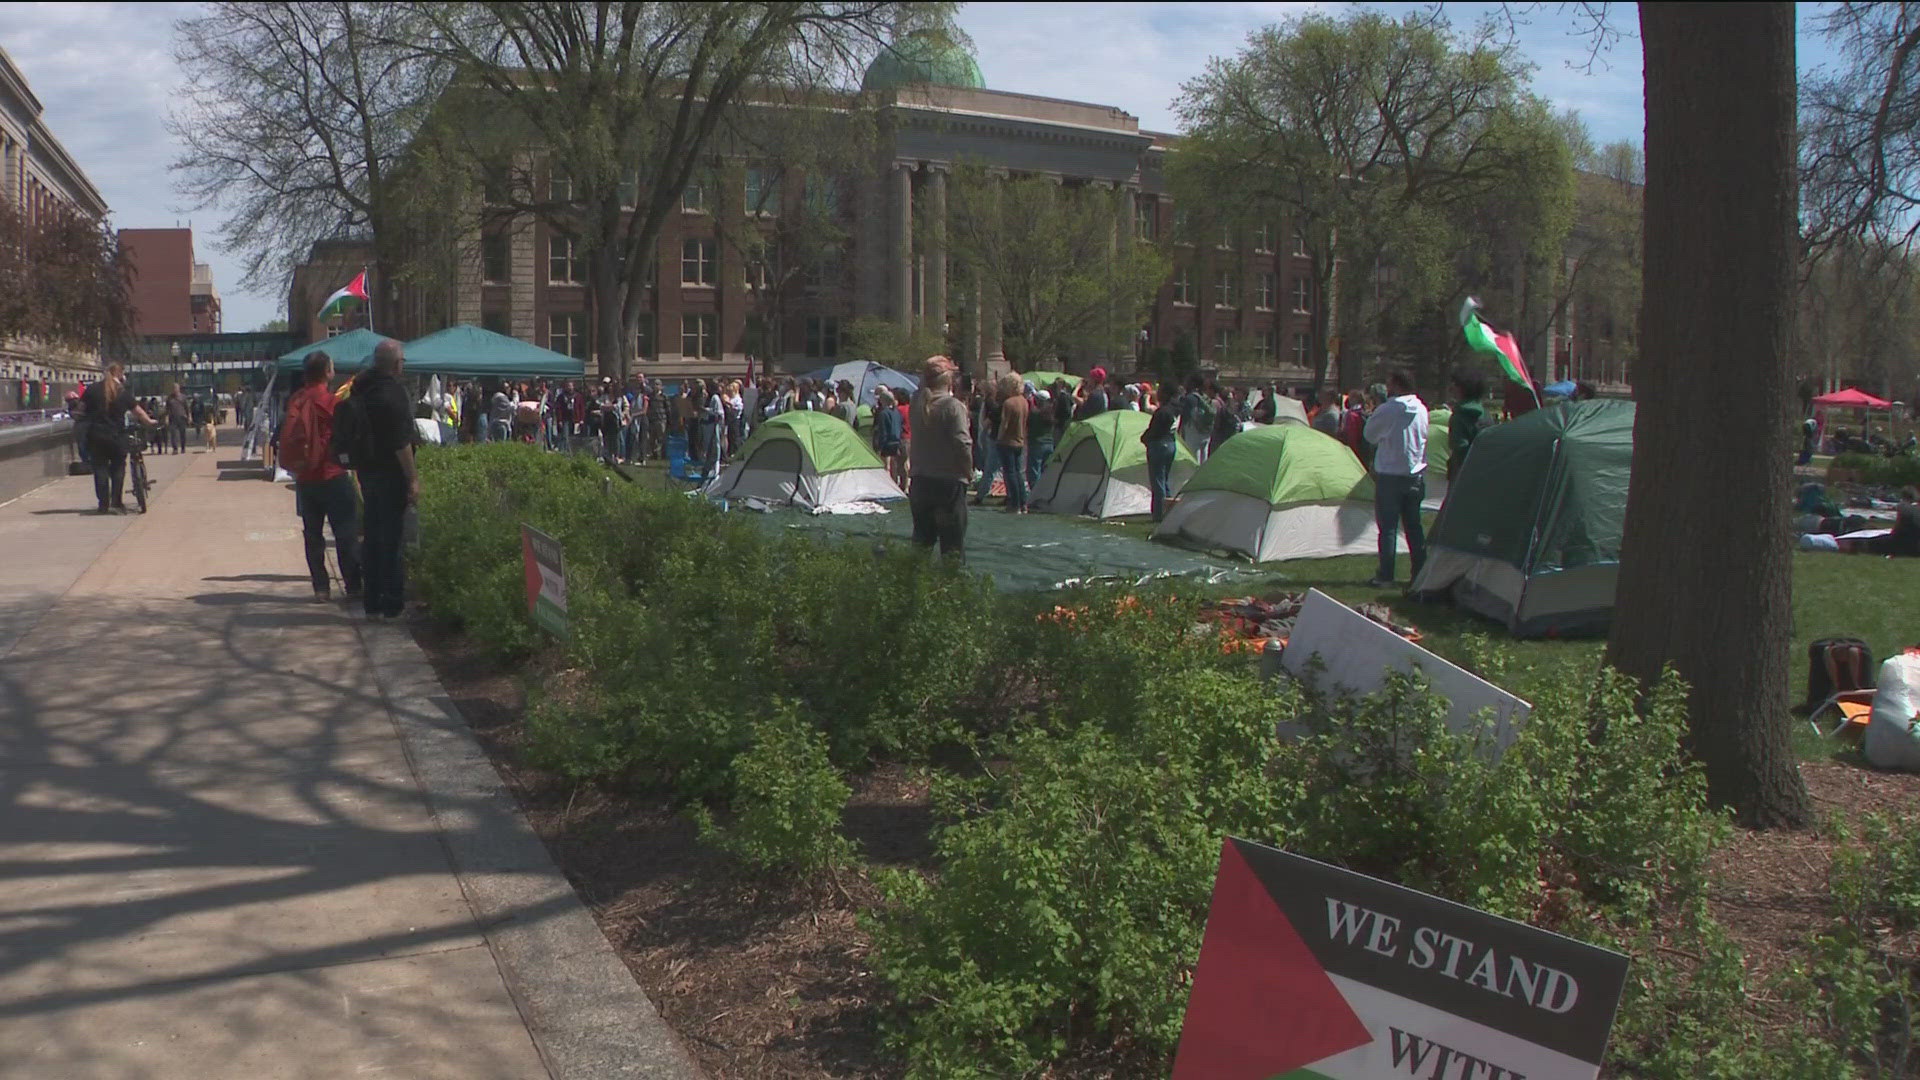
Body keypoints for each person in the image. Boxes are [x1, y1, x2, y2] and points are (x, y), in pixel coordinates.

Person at [349, 339, 419, 621]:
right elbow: (401, 442)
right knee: (391, 541)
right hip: (390, 474)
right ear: (395, 364)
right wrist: (412, 479)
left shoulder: (361, 389)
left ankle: (372, 602)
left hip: (366, 471)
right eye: (402, 361)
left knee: (373, 536)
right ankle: (392, 604)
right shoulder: (393, 393)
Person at [286, 351, 362, 602]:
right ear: (327, 373)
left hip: (306, 478)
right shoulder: (333, 403)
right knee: (345, 533)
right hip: (333, 474)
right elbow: (348, 438)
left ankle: (321, 587)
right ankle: (352, 585)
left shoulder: (296, 401)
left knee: (313, 534)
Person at [1362, 368, 1429, 589]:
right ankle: (1419, 571)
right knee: (1414, 527)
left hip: (1390, 473)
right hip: (1415, 474)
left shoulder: (1388, 409)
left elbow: (1369, 435)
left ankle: (1386, 574)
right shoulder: (1421, 409)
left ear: (1397, 386)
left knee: (1388, 528)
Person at [908, 356, 973, 558]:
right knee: (952, 548)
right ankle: (951, 587)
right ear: (949, 380)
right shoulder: (952, 406)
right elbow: (962, 444)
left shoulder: (916, 403)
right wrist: (968, 471)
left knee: (921, 545)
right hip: (948, 483)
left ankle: (914, 586)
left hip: (920, 481)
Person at [81, 362, 156, 514]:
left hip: (96, 435)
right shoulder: (123, 392)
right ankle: (116, 502)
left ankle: (103, 504)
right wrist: (150, 421)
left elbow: (80, 410)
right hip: (117, 436)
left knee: (100, 469)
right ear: (120, 374)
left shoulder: (92, 389)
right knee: (118, 468)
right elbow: (138, 412)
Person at [1142, 378, 1181, 522]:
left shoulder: (1163, 412)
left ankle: (1158, 514)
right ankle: (1168, 510)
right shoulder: (1176, 409)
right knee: (1164, 480)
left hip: (1159, 445)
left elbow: (1154, 430)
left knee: (1157, 481)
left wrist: (1144, 438)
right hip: (1171, 443)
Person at [997, 372, 1030, 513]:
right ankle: (1023, 503)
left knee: (1010, 473)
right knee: (1018, 474)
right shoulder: (1024, 401)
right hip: (1020, 440)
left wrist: (999, 438)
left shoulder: (1008, 403)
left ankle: (1014, 504)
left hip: (1008, 441)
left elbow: (1004, 424)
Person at [1448, 371, 1486, 480]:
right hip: (1485, 469)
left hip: (1463, 474)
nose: (1452, 388)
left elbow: (1459, 448)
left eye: (1455, 384)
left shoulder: (1459, 416)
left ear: (1462, 388)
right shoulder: (1486, 415)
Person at [872, 385, 906, 486]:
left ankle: (887, 486)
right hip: (897, 441)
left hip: (887, 443)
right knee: (894, 466)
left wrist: (880, 446)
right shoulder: (897, 412)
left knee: (886, 467)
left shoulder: (883, 413)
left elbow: (883, 431)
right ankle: (895, 484)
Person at [1027, 386, 1055, 491]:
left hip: (1037, 443)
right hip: (1050, 443)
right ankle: (1045, 493)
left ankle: (1035, 494)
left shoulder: (1035, 413)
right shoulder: (1051, 413)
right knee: (1045, 471)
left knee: (1034, 471)